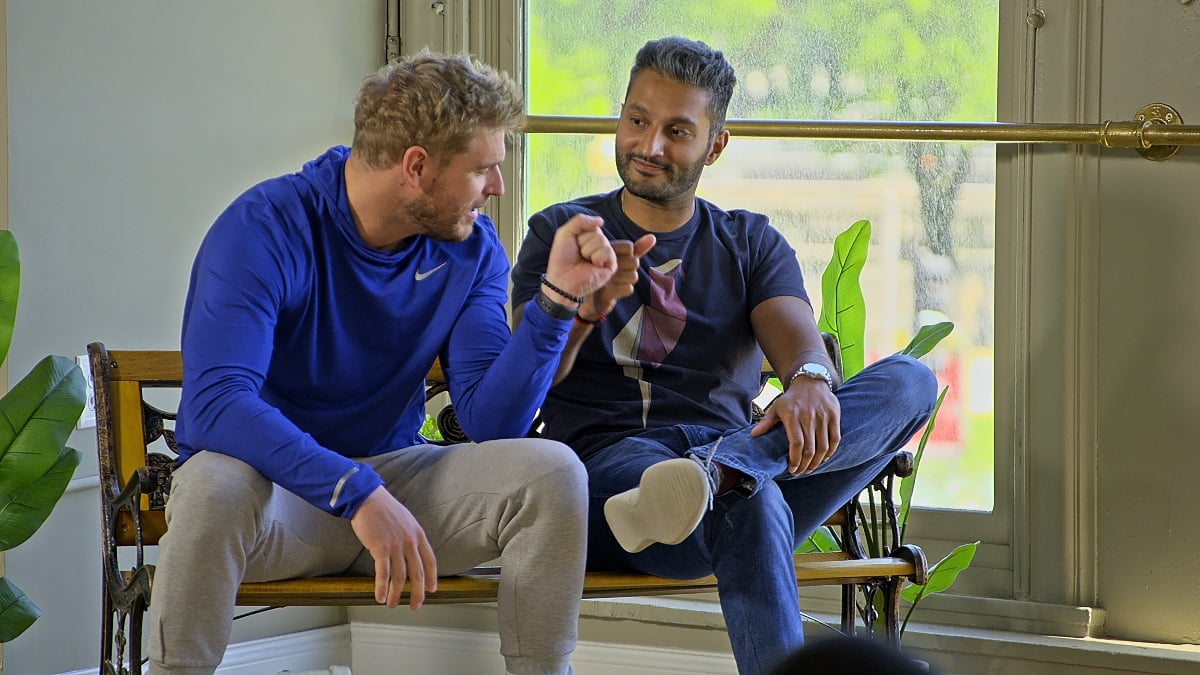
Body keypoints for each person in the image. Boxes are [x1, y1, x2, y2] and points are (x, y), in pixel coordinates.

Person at [152, 51, 619, 675]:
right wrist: (355, 491)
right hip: (277, 503)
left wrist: (556, 304)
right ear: (417, 168)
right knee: (212, 482)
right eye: (483, 169)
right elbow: (216, 405)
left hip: (399, 494)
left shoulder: (473, 251)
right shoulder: (264, 227)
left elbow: (491, 420)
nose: (498, 188)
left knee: (554, 470)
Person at [511, 36, 938, 675]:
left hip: (730, 470)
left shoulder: (748, 241)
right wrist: (568, 307)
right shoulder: (563, 232)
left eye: (677, 130)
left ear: (716, 144)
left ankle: (725, 469)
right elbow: (526, 375)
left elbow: (795, 339)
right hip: (614, 489)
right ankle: (731, 474)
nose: (649, 145)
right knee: (756, 498)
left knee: (911, 379)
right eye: (637, 120)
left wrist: (812, 380)